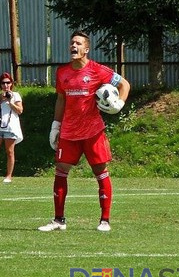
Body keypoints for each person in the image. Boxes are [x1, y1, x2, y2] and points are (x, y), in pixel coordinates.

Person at [39, 30, 130, 233]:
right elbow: (61, 99)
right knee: (60, 172)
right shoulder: (62, 72)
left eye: (78, 43)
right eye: (72, 43)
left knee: (100, 173)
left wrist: (119, 104)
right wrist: (56, 126)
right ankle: (59, 220)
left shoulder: (98, 70)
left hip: (93, 132)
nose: (74, 46)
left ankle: (104, 220)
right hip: (69, 133)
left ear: (86, 49)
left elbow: (125, 84)